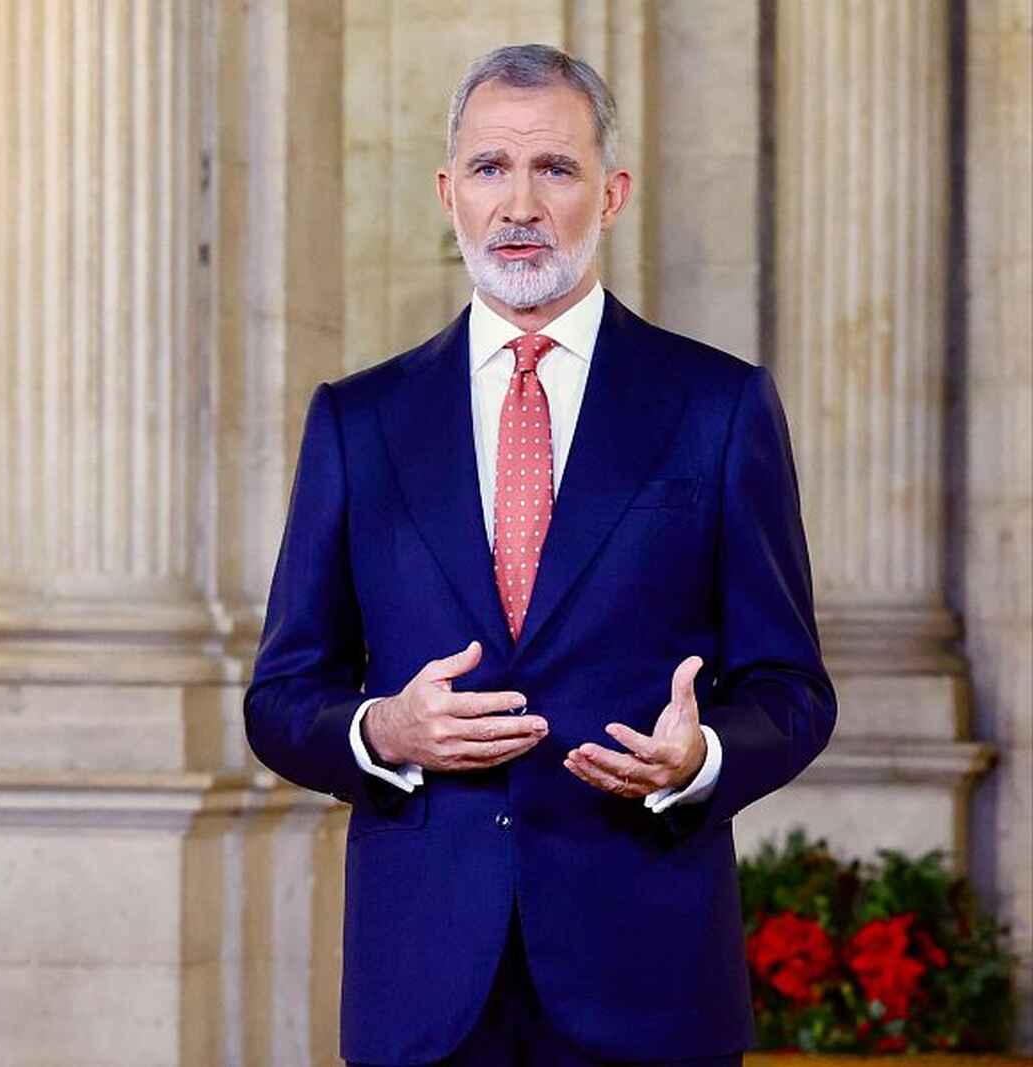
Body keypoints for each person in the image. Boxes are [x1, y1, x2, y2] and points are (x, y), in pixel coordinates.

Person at [243, 43, 836, 1067]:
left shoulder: (717, 406)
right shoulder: (357, 420)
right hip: (422, 991)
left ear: (609, 194)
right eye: (489, 168)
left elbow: (791, 685)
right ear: (449, 193)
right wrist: (381, 726)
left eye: (553, 169)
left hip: (646, 977)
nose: (519, 202)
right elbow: (281, 695)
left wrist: (699, 758)